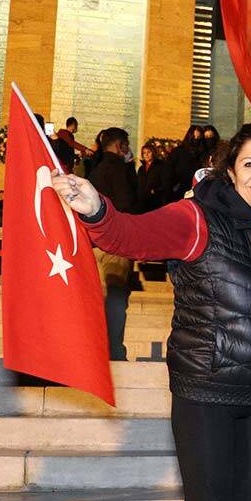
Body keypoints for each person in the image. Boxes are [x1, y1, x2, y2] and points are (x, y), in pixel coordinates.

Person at [52, 121, 251, 501]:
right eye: (250, 164)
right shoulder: (197, 217)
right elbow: (129, 235)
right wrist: (96, 207)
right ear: (230, 170)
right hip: (206, 392)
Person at [88, 128, 138, 361]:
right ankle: (114, 350)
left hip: (94, 243)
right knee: (117, 298)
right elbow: (128, 203)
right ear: (120, 146)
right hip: (116, 244)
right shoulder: (119, 170)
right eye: (126, 145)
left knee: (99, 299)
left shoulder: (95, 170)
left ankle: (97, 348)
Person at [136, 144, 170, 213]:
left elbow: (166, 183)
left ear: (153, 152)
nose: (146, 155)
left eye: (149, 152)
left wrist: (155, 191)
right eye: (144, 153)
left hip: (156, 200)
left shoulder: (161, 166)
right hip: (142, 200)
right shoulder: (141, 169)